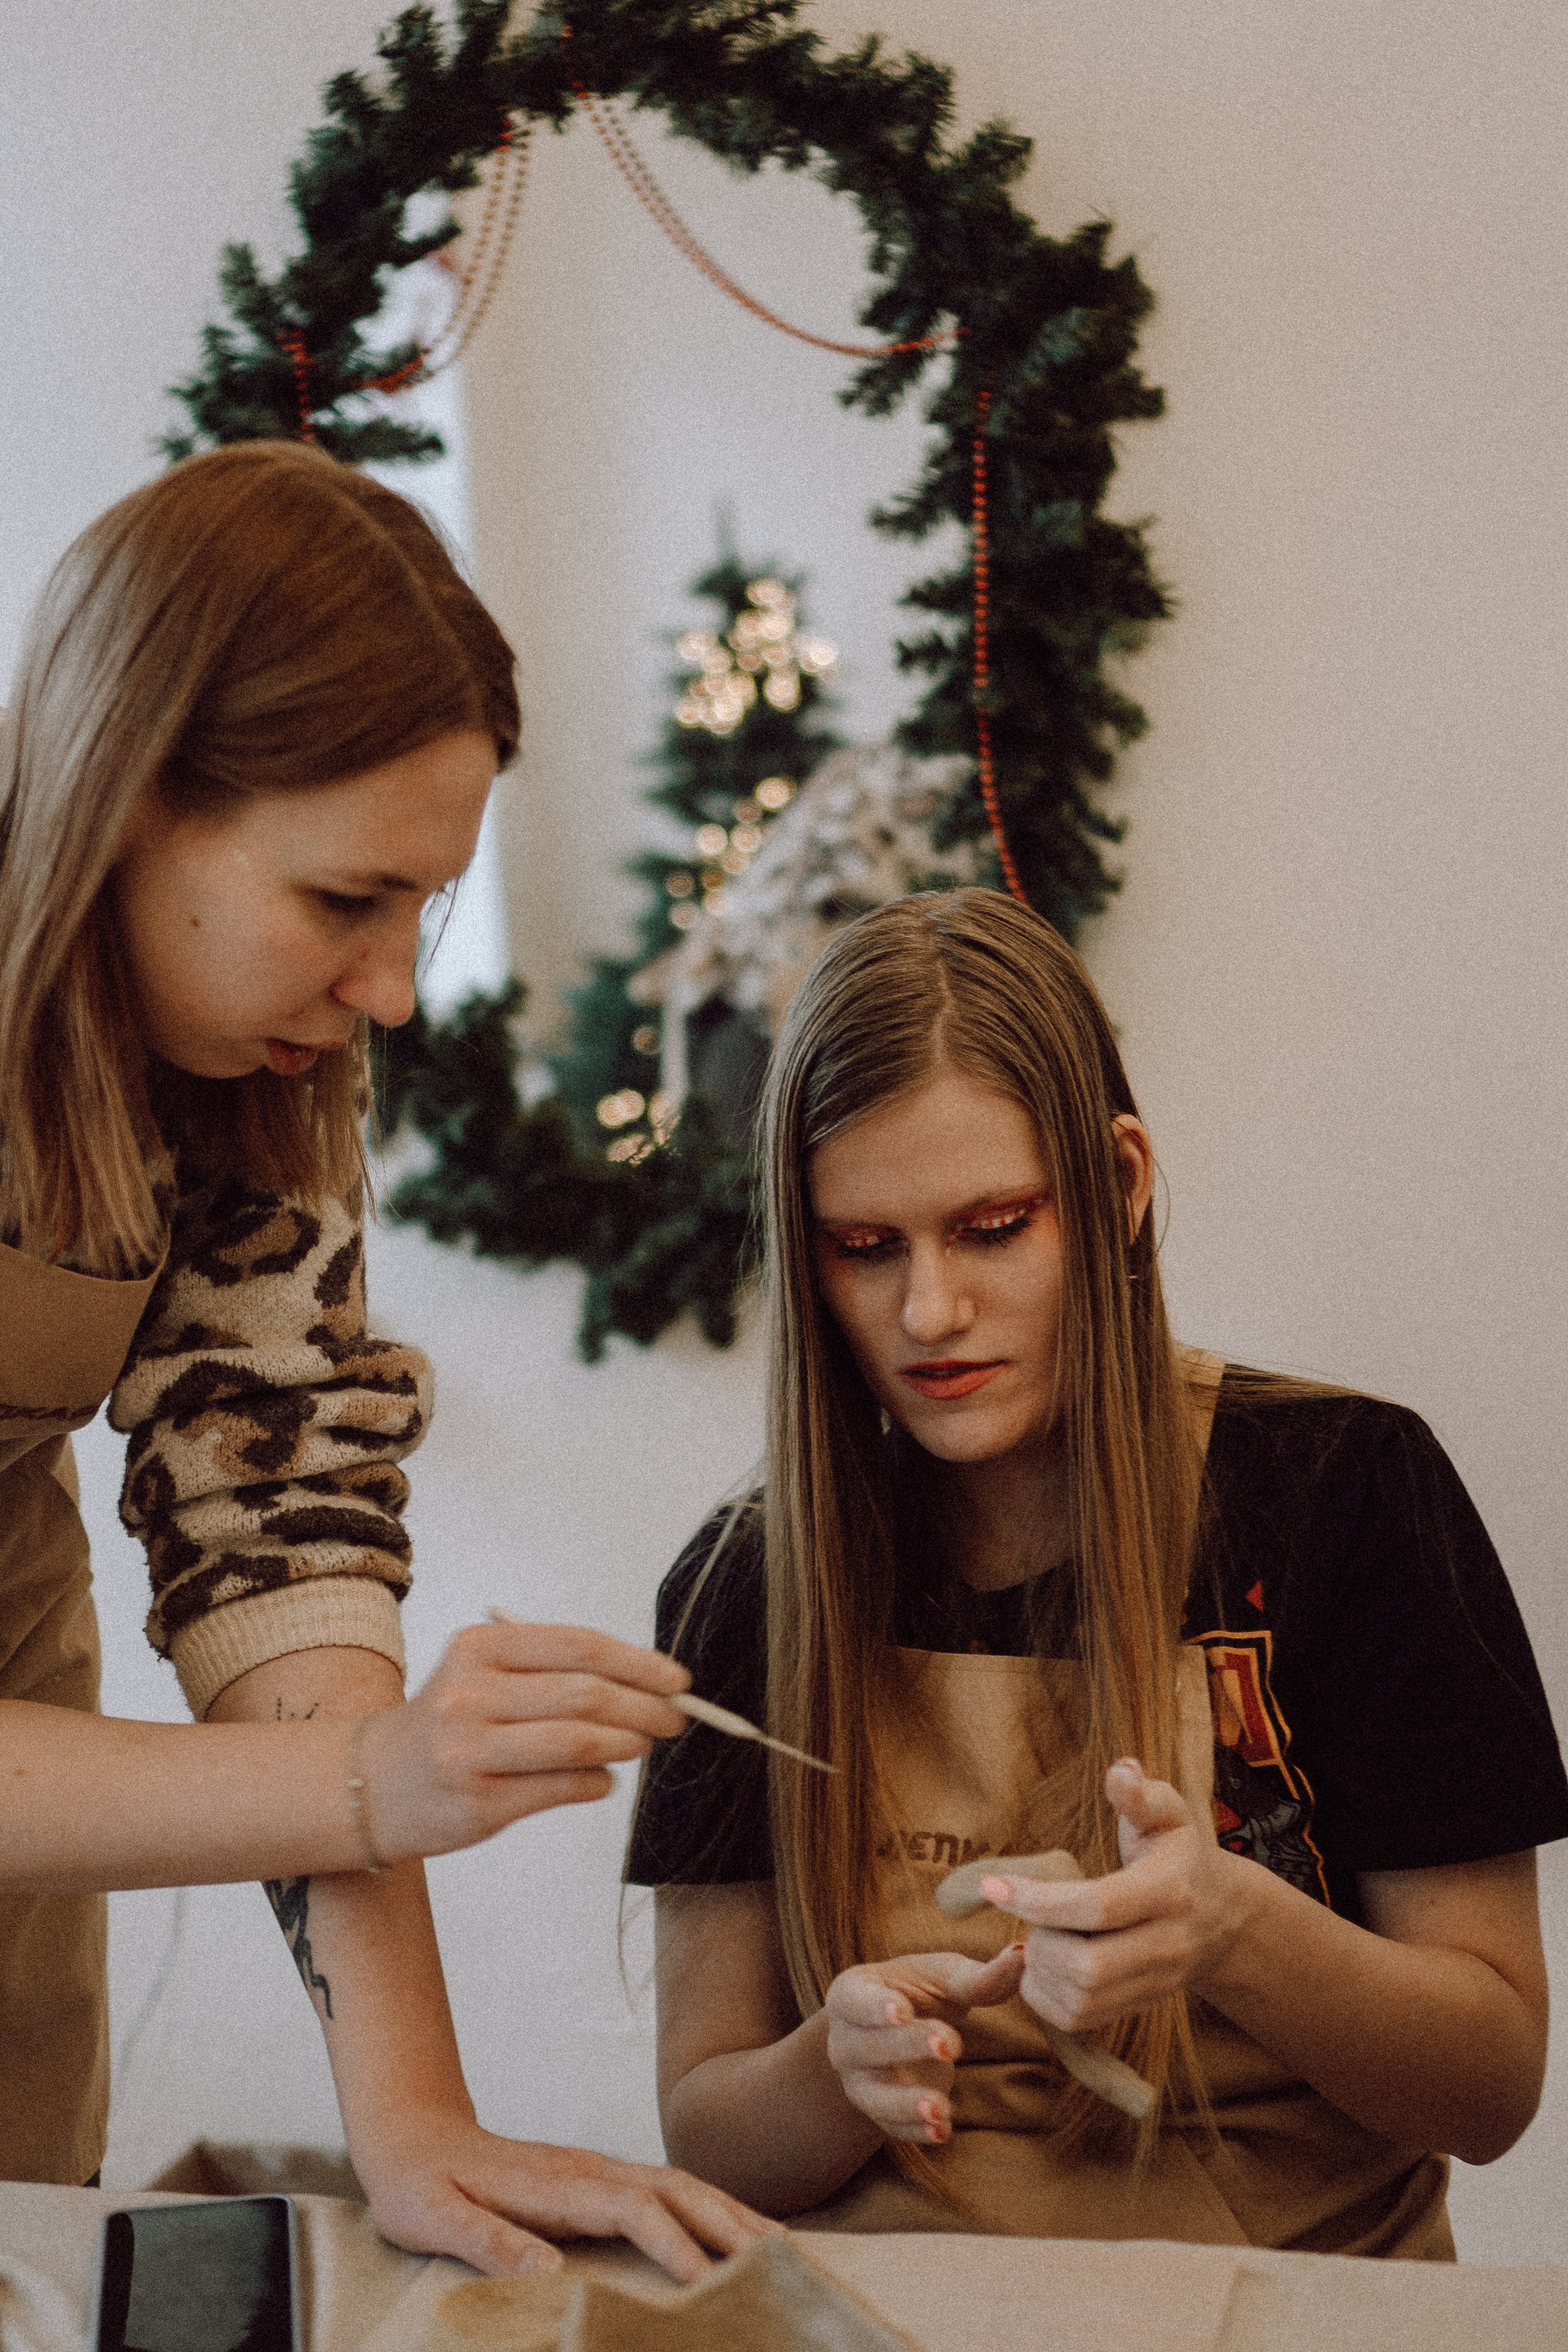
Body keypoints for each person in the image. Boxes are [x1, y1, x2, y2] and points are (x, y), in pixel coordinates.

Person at [0, 441, 774, 2281]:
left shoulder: (258, 1082)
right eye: (347, 899)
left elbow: (276, 1545)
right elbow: (352, 1766)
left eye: (420, 910)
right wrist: (378, 1781)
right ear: (127, 804)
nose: (395, 992)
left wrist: (415, 2121)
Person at [630, 887, 1568, 2256]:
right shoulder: (745, 1581)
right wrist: (828, 2074)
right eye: (863, 1248)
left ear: (1117, 1186)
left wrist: (1237, 1929)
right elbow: (709, 2130)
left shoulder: (1343, 1492)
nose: (929, 1312)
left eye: (994, 1227)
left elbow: (1488, 2089)